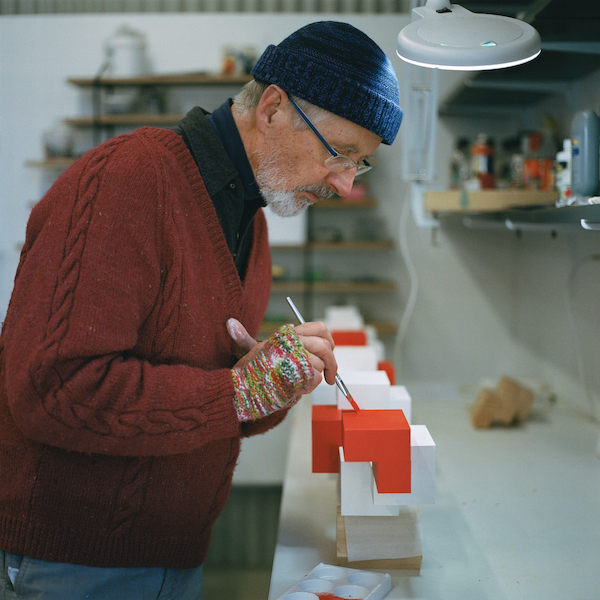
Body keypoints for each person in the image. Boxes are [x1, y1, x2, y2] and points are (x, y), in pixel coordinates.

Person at [0, 20, 403, 600]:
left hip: (175, 557)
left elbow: (211, 403)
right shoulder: (129, 180)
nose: (344, 184)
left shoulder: (251, 220)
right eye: (340, 154)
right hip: (69, 565)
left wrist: (269, 385)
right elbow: (51, 391)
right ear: (272, 109)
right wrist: (237, 391)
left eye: (361, 165)